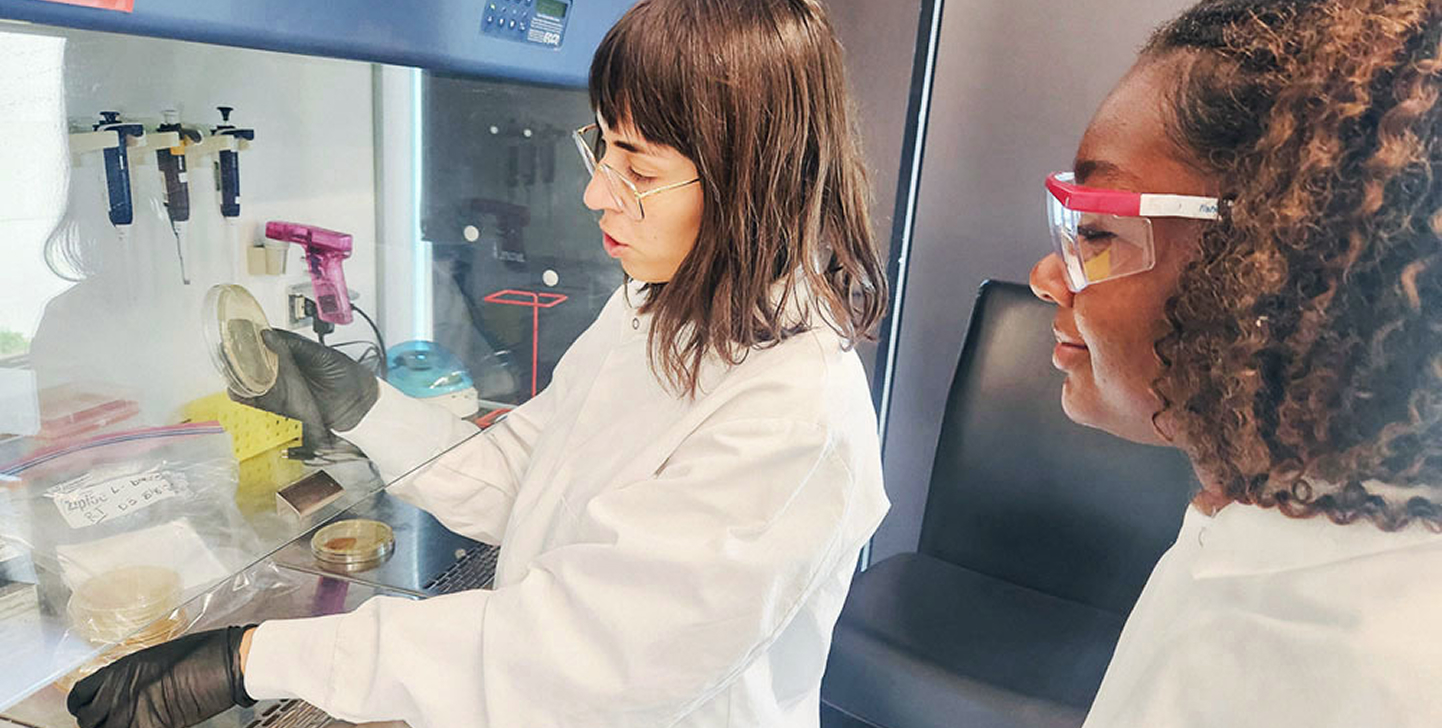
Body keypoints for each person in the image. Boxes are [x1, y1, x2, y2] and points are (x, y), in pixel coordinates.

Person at [64, 1, 890, 727]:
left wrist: (252, 659)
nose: (596, 193)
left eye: (639, 168)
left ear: (756, 182)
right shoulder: (655, 312)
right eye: (603, 148)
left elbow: (580, 659)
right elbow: (529, 479)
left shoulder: (792, 414)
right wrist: (365, 408)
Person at [1031, 0, 1442, 725]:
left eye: (1096, 230)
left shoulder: (1324, 664)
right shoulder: (1260, 527)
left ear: (1272, 267)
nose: (1047, 275)